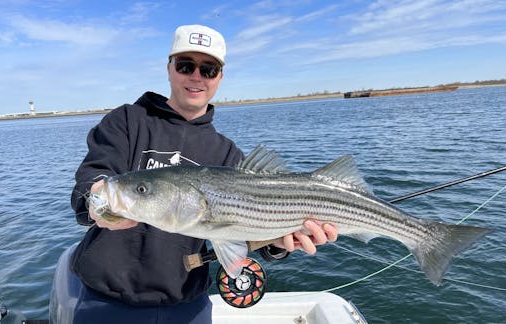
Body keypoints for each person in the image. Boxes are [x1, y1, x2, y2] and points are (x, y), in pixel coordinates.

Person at [70, 24, 338, 324]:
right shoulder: (128, 120)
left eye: (208, 69)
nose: (196, 76)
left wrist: (279, 242)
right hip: (106, 302)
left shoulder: (227, 154)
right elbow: (92, 180)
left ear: (219, 77)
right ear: (170, 68)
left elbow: (247, 234)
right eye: (186, 65)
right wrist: (97, 202)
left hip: (188, 305)